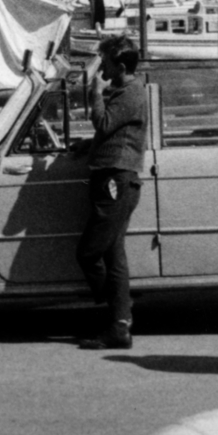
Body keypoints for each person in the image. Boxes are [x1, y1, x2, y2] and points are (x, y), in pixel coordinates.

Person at [76, 35, 147, 351]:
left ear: (120, 66)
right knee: (112, 255)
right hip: (113, 179)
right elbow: (113, 133)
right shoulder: (127, 91)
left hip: (116, 181)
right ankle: (120, 323)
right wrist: (86, 147)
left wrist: (95, 93)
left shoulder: (130, 93)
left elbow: (104, 123)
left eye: (104, 62)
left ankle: (119, 312)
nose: (101, 67)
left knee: (89, 252)